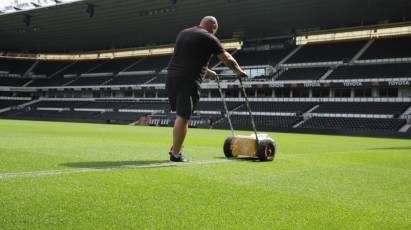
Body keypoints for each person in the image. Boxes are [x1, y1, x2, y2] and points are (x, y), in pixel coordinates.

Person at [166, 16, 248, 162]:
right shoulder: (209, 37)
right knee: (183, 117)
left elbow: (187, 59)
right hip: (188, 80)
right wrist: (238, 72)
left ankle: (175, 148)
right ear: (213, 27)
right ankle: (176, 154)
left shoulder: (184, 33)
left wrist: (209, 73)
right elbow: (227, 58)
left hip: (172, 78)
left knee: (180, 115)